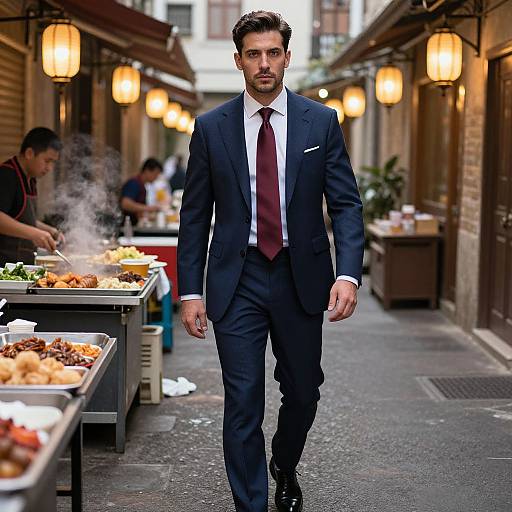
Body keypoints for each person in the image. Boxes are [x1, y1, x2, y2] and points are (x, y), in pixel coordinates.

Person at [178, 11, 364, 512]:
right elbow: (194, 215)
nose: (265, 64)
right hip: (236, 280)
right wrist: (190, 291)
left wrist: (348, 273)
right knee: (242, 400)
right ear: (238, 60)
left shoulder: (320, 121)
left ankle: (283, 461)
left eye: (273, 53)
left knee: (303, 391)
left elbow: (345, 203)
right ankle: (251, 504)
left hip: (299, 277)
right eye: (254, 54)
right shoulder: (211, 128)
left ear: (287, 56)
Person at [0, 127, 64, 266]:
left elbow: (24, 218)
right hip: (4, 269)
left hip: (20, 266)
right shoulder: (6, 175)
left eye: (53, 162)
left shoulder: (30, 178)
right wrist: (34, 233)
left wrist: (49, 230)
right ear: (29, 153)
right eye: (47, 161)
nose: (49, 168)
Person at [120, 157, 162, 226]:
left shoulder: (143, 186)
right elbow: (125, 204)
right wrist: (149, 208)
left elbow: (138, 211)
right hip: (126, 226)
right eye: (155, 174)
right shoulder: (134, 183)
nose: (156, 177)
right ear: (147, 170)